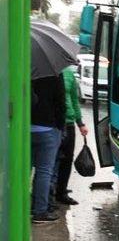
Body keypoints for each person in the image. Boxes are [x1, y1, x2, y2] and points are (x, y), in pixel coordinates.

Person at [31, 74, 66, 222]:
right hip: (48, 128)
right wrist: (60, 128)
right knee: (44, 171)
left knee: (22, 170)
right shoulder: (55, 73)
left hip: (24, 127)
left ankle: (19, 207)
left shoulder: (24, 70)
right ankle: (40, 211)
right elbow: (61, 104)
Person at [53, 65, 89, 205]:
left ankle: (61, 191)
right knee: (51, 160)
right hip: (54, 123)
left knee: (67, 159)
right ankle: (50, 192)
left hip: (68, 123)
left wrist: (80, 123)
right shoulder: (48, 74)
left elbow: (74, 100)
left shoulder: (68, 74)